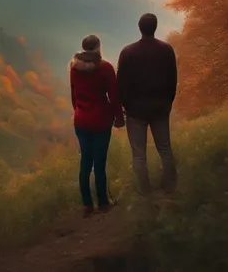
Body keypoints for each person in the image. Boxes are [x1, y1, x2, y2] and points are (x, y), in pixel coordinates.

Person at [117, 13, 177, 196]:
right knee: (165, 149)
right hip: (160, 108)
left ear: (139, 27)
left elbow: (121, 84)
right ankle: (170, 188)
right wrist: (167, 103)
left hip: (135, 111)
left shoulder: (127, 52)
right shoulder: (167, 50)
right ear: (156, 26)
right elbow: (172, 80)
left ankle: (145, 193)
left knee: (139, 155)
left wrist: (125, 106)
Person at [70, 34, 125, 217]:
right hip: (101, 119)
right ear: (98, 47)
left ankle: (87, 204)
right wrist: (118, 117)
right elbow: (114, 96)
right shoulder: (105, 68)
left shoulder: (74, 67)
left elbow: (74, 94)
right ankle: (103, 202)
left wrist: (78, 111)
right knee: (99, 163)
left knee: (85, 162)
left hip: (81, 120)